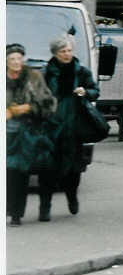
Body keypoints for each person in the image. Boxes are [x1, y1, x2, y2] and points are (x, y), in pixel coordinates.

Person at [44, 34, 100, 217]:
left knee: (74, 169)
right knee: (49, 169)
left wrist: (86, 91)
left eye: (69, 50)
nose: (67, 54)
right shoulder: (46, 72)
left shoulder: (81, 71)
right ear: (55, 53)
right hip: (52, 126)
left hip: (75, 126)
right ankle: (45, 207)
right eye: (63, 51)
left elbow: (95, 91)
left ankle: (72, 197)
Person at [6, 44, 58, 225]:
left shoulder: (34, 78)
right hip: (7, 134)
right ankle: (13, 213)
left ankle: (26, 212)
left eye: (19, 58)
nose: (16, 62)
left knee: (27, 172)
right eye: (12, 59)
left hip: (31, 133)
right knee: (11, 174)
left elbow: (49, 105)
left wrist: (27, 108)